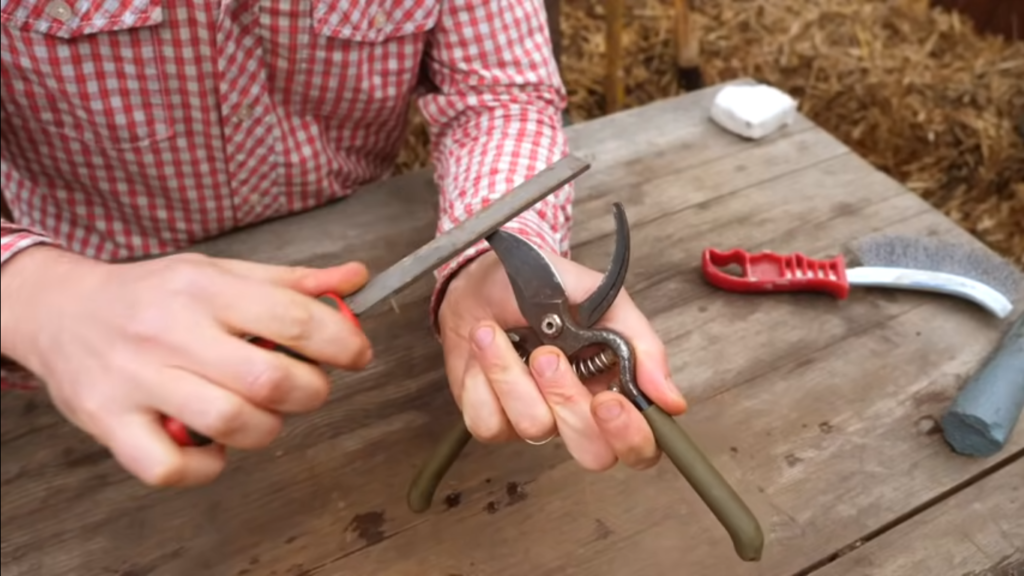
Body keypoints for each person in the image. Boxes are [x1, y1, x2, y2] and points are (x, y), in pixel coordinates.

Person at [0, 0, 686, 488]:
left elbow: (498, 97)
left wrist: (494, 256)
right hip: (69, 373)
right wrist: (40, 297)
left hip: (360, 341)